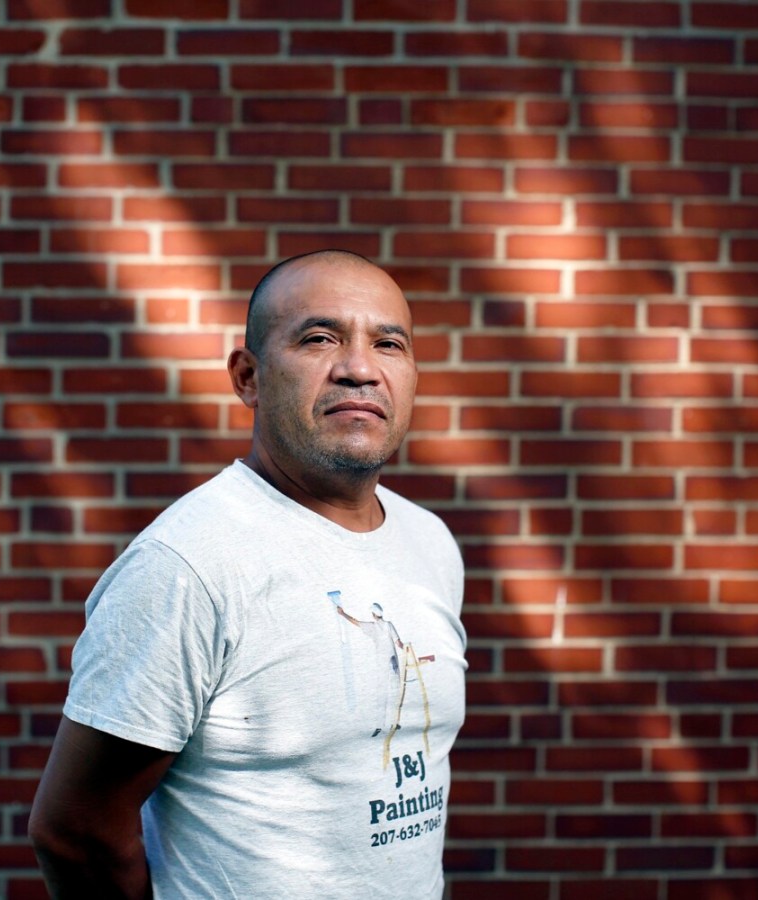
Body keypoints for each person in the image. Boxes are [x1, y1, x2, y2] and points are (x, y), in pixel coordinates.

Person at [28, 249, 468, 899]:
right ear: (248, 377)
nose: (359, 368)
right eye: (319, 339)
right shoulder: (189, 565)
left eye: (388, 344)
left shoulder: (429, 542)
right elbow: (75, 832)